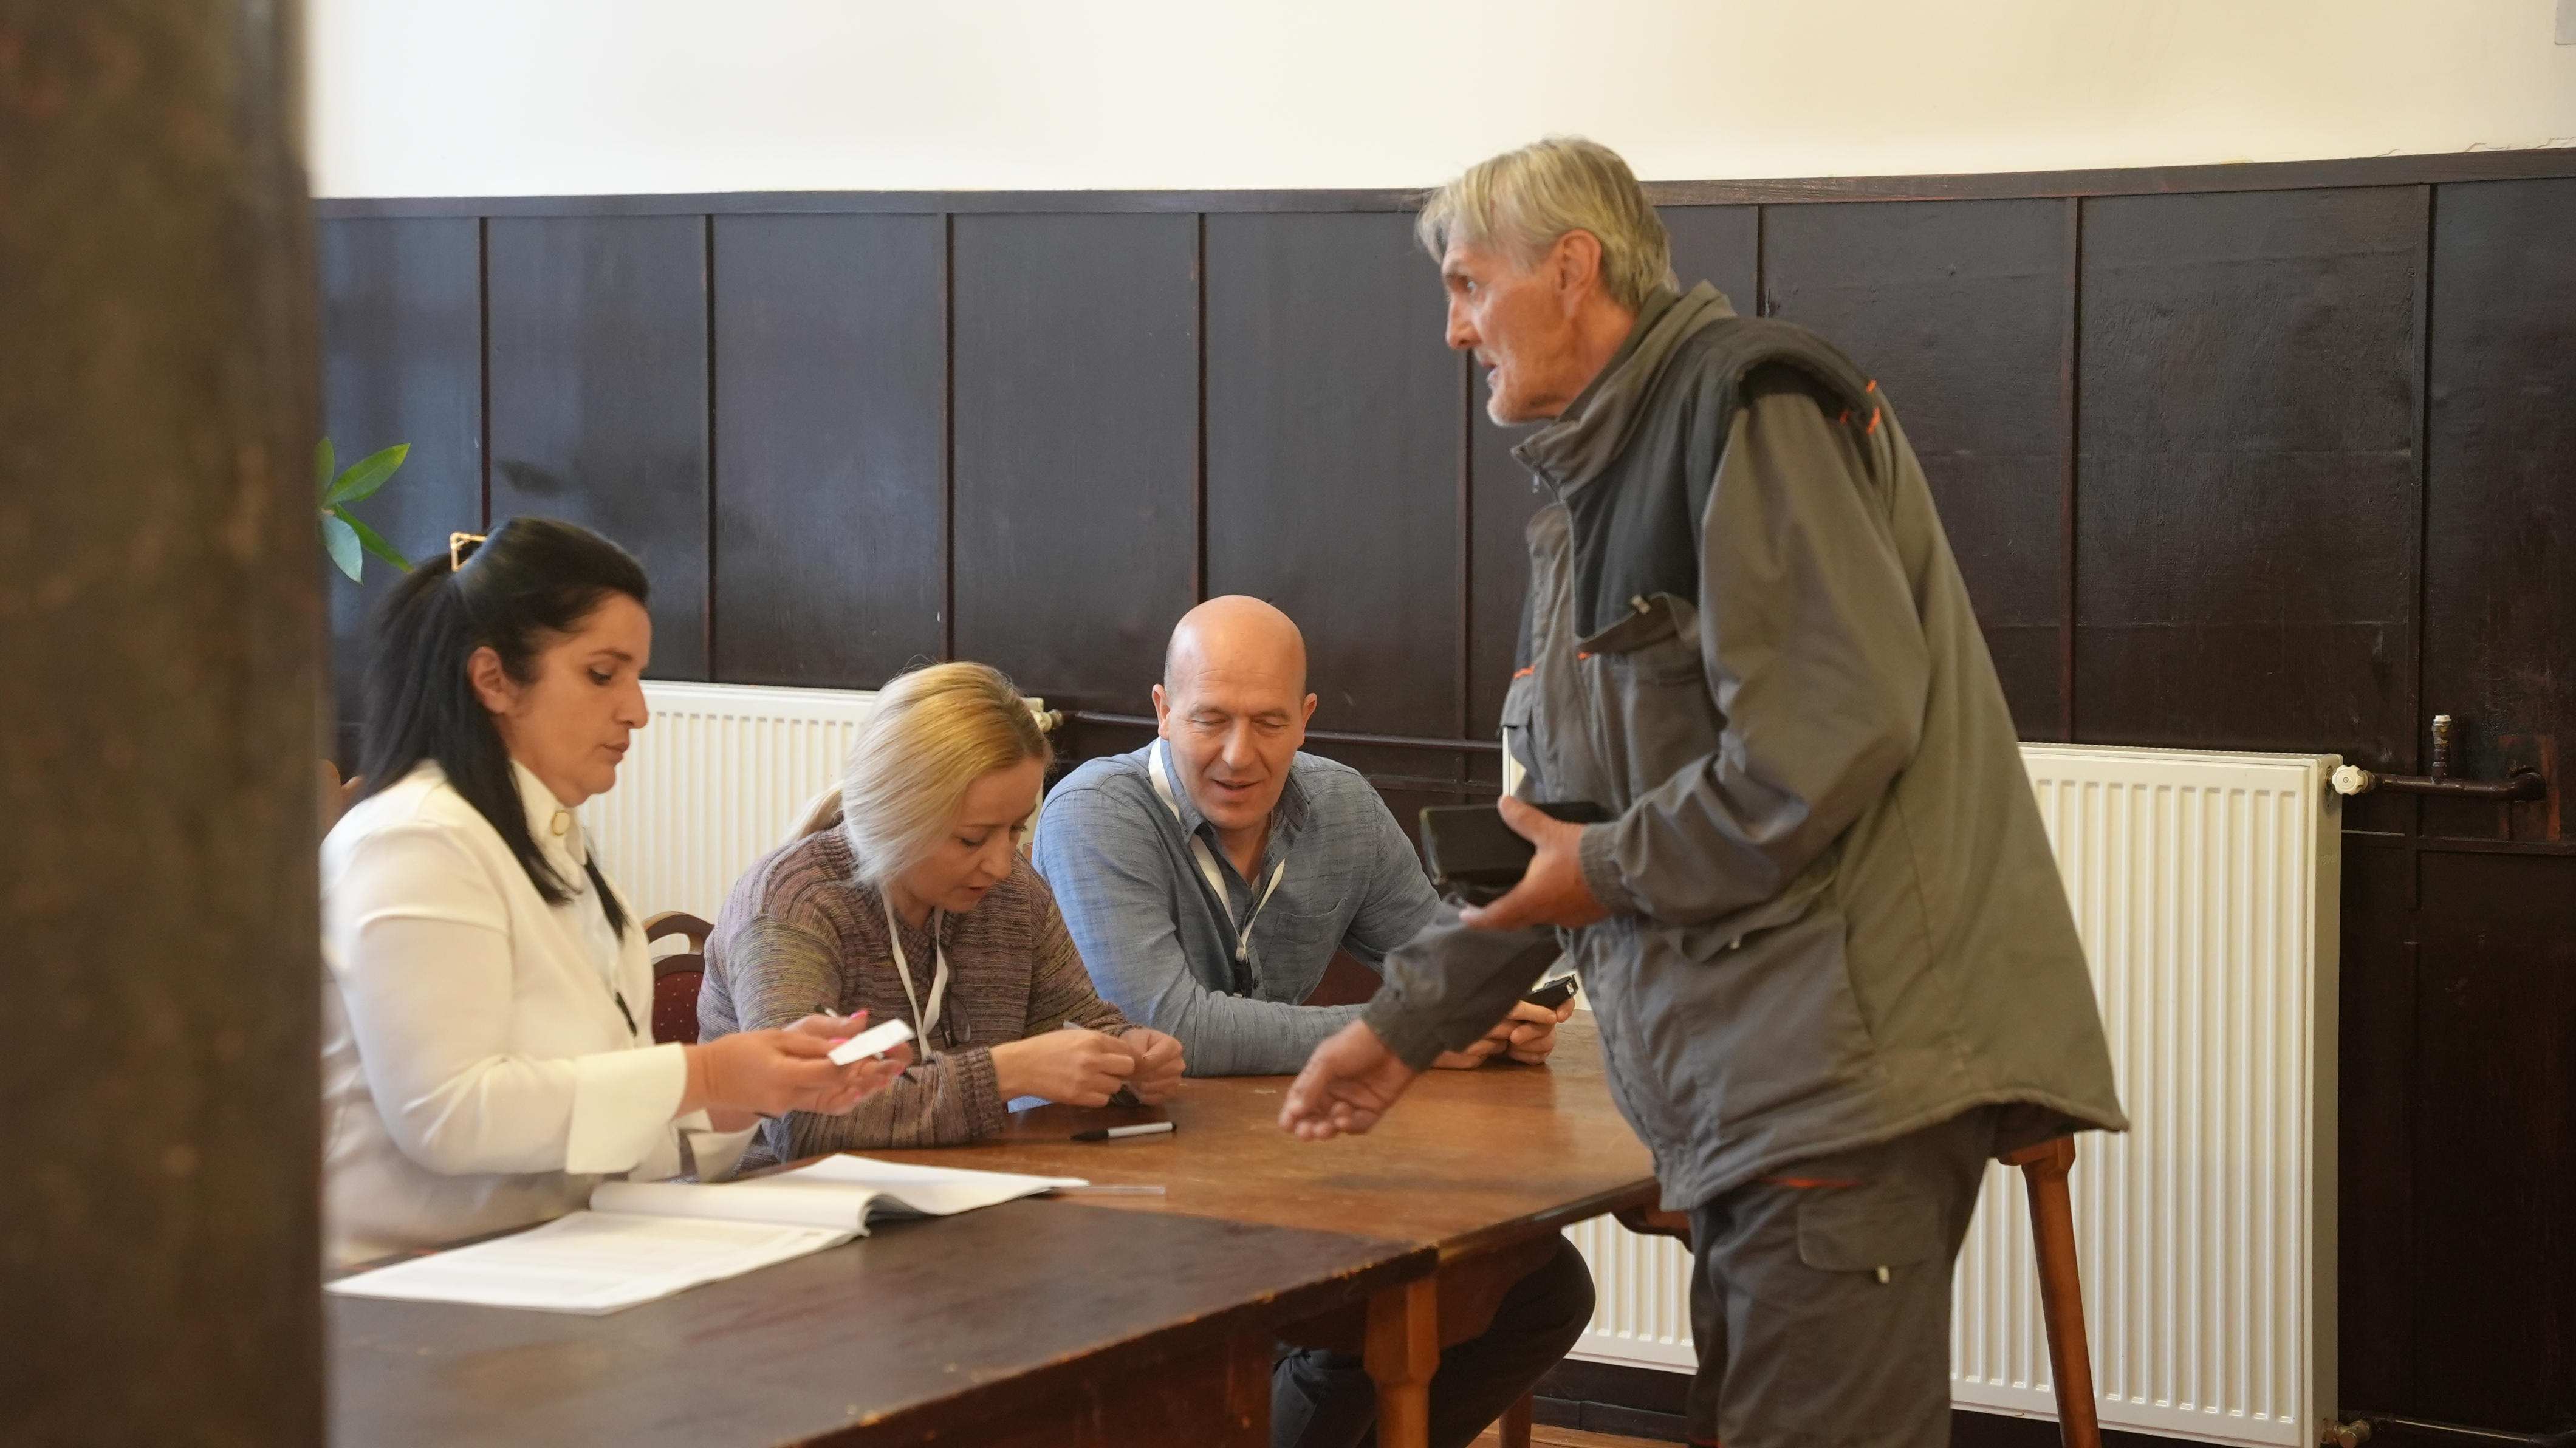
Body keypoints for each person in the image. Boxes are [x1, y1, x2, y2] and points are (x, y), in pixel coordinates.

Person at [1278, 138, 2129, 1448]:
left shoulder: (1747, 407)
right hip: (1752, 1102)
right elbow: (1552, 837)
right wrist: (1403, 1025)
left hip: (1835, 1080)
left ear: (1573, 269)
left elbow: (1821, 743)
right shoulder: (1592, 491)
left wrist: (1602, 869)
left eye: (1468, 284)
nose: (1454, 330)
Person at [1033, 595, 1592, 1448]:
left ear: (1307, 717)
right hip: (1114, 1173)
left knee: (1543, 1288)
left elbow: (1444, 957)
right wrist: (1405, 1028)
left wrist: (1505, 1003)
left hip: (1269, 1158)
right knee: (1364, 1309)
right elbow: (1170, 1026)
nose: (1238, 754)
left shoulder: (1341, 804)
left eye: (1268, 722)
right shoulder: (1096, 811)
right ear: (1162, 710)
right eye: (1210, 719)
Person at [322, 519, 906, 1268]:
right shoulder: (415, 839)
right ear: (493, 678)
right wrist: (706, 1072)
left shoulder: (552, 844)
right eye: (603, 674)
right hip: (399, 1284)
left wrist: (757, 1091)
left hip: (548, 1260)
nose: (638, 709)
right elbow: (449, 1116)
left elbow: (587, 1128)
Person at [697, 661, 1186, 1162]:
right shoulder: (793, 906)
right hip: (778, 1200)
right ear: (897, 816)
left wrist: (1131, 1058)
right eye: (972, 839)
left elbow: (1075, 1021)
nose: (1001, 865)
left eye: (1016, 829)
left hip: (956, 1188)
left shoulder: (1014, 897)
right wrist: (1006, 1073)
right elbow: (804, 1121)